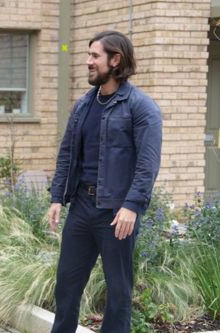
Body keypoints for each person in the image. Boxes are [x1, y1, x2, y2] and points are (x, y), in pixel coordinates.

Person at [47, 31, 162, 333]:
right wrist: (57, 197)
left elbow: (147, 164)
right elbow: (67, 153)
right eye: (88, 55)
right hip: (82, 208)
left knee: (119, 293)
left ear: (116, 60)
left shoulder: (141, 107)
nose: (88, 61)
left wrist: (132, 206)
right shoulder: (84, 105)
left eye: (95, 56)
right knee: (66, 287)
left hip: (117, 214)